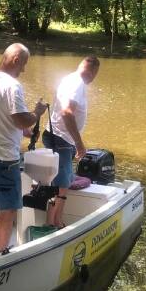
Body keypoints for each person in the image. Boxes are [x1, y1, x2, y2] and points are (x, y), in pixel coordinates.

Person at [0, 43, 48, 257]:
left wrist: (23, 132)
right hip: (4, 159)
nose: (23, 69)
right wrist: (36, 112)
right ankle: (0, 257)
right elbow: (20, 118)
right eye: (24, 64)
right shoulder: (12, 85)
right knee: (6, 211)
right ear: (16, 60)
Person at [42, 55, 100, 228]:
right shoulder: (77, 84)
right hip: (61, 138)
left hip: (58, 137)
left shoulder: (70, 78)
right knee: (62, 183)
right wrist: (79, 143)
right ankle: (53, 224)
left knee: (64, 181)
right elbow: (67, 113)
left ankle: (56, 220)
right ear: (93, 71)